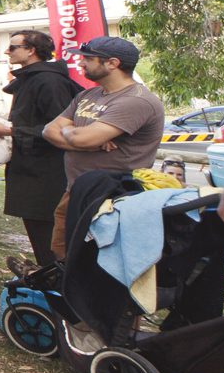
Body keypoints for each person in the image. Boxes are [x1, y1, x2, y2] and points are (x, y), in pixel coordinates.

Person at [40, 36, 166, 258]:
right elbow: (49, 130)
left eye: (88, 59)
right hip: (75, 191)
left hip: (111, 199)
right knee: (62, 256)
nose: (80, 63)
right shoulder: (88, 94)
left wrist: (71, 131)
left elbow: (81, 138)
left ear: (112, 63)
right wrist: (85, 143)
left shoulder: (136, 101)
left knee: (93, 264)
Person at [0, 30, 79, 268]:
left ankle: (58, 284)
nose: (6, 51)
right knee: (37, 231)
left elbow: (60, 128)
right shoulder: (30, 79)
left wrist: (11, 131)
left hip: (46, 173)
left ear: (31, 50)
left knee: (49, 236)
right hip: (29, 168)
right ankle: (48, 278)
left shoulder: (49, 81)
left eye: (12, 47)